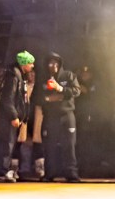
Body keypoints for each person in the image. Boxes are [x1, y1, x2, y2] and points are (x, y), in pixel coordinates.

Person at [35, 53, 81, 182]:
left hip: (67, 115)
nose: (53, 66)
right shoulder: (43, 78)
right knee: (50, 146)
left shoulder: (68, 75)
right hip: (50, 117)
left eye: (56, 63)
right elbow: (37, 97)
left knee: (69, 145)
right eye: (50, 63)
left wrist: (60, 89)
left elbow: (76, 91)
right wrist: (48, 98)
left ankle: (71, 173)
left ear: (60, 64)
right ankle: (50, 173)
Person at [0, 51, 34, 182]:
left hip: (12, 116)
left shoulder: (18, 74)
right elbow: (8, 99)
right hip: (9, 117)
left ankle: (4, 171)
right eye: (30, 63)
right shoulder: (14, 76)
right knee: (6, 143)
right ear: (24, 63)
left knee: (9, 144)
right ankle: (1, 172)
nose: (32, 66)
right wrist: (14, 116)